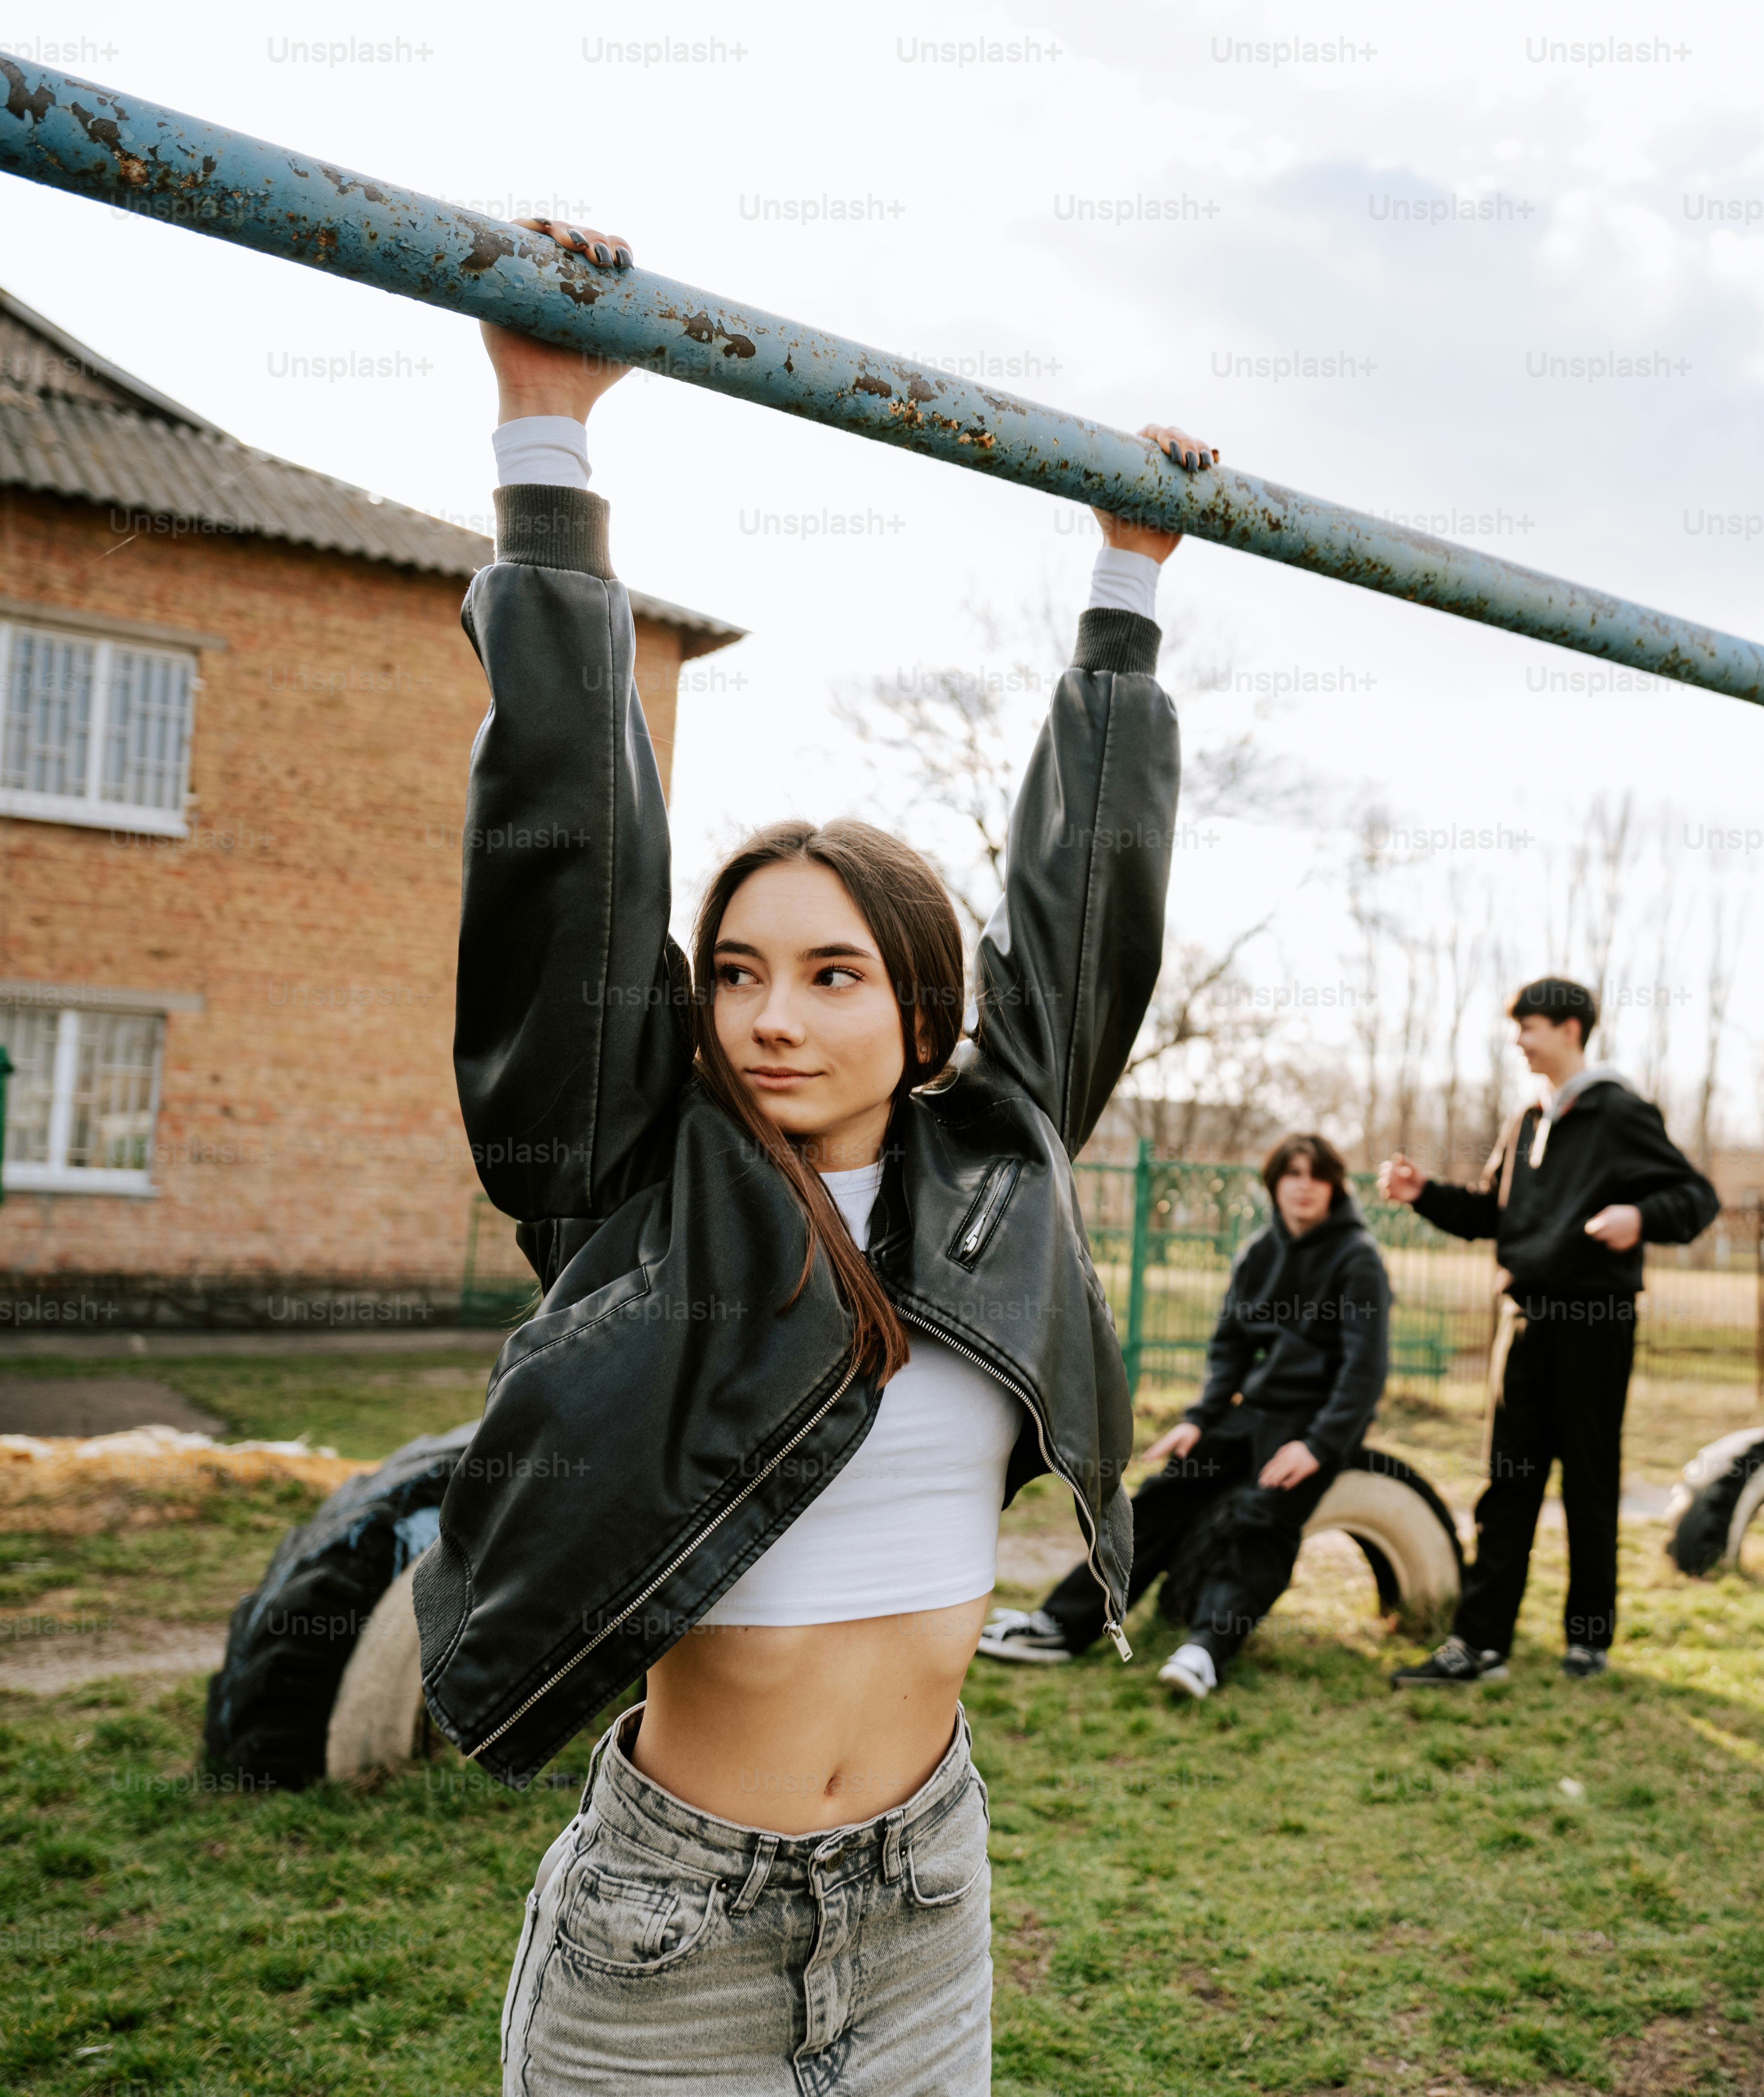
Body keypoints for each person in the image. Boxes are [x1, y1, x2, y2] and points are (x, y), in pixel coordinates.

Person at [413, 216, 1208, 2094]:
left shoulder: (996, 1163)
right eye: (740, 972)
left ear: (923, 1018)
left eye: (834, 974)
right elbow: (568, 855)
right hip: (673, 1921)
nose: (771, 1015)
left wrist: (1128, 578)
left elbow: (1086, 906)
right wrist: (547, 443)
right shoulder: (640, 1180)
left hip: (928, 1882)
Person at [1376, 977, 1718, 1687]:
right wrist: (1424, 1194)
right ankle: (1481, 1643)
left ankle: (1588, 1642)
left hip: (1596, 1326)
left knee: (1590, 1483)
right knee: (1508, 1482)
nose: (1519, 1043)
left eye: (1528, 1028)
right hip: (1522, 1324)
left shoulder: (1620, 1112)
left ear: (1569, 1029)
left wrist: (1639, 1220)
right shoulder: (1527, 1119)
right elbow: (1491, 1215)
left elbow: (1695, 1197)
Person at [981, 1132, 1391, 1698]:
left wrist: (1319, 1446)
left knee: (1261, 1516)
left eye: (1316, 1176)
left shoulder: (1358, 1259)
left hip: (1314, 1428)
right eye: (1292, 1174)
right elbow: (1230, 1351)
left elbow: (1364, 1372)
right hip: (1253, 1416)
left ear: (1334, 1186)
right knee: (1158, 1498)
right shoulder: (1259, 1254)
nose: (1304, 1187)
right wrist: (1199, 1420)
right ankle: (1064, 1625)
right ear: (1274, 1184)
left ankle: (1205, 1651)